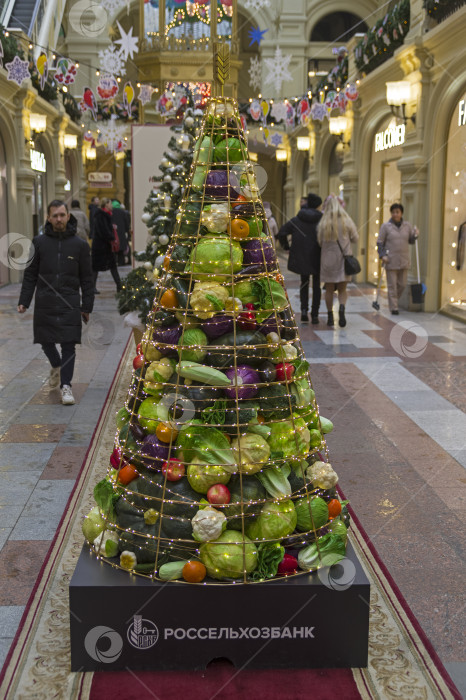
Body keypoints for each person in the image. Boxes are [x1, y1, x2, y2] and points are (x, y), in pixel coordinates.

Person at [17, 200, 94, 405]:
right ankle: (57, 365)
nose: (59, 219)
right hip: (45, 301)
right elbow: (30, 274)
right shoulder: (39, 242)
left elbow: (87, 278)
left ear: (68, 216)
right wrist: (24, 300)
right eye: (55, 216)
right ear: (49, 218)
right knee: (45, 339)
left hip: (70, 302)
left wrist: (87, 306)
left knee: (69, 344)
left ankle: (66, 386)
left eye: (62, 215)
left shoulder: (80, 245)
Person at [278, 193, 323, 324]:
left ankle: (304, 311)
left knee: (304, 283)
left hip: (302, 256)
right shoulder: (322, 219)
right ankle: (315, 315)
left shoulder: (297, 219)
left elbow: (282, 232)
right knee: (317, 285)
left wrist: (286, 246)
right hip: (318, 256)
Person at [317, 194, 359, 328]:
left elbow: (319, 242)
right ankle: (341, 309)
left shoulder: (323, 222)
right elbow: (356, 238)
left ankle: (330, 316)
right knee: (342, 289)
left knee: (328, 290)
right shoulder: (346, 220)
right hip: (343, 260)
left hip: (328, 261)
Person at [377, 203, 419, 315]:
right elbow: (380, 242)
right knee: (392, 286)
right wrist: (382, 255)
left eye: (397, 212)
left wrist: (415, 235)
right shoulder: (385, 227)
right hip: (390, 260)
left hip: (404, 260)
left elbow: (411, 241)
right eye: (393, 212)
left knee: (402, 284)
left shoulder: (407, 226)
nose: (395, 214)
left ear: (401, 213)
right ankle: (394, 307)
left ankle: (393, 300)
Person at [92, 198, 122, 294]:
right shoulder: (101, 215)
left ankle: (119, 286)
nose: (112, 205)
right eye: (110, 203)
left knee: (111, 266)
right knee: (96, 267)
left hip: (104, 245)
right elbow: (103, 231)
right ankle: (92, 288)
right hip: (101, 246)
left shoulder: (106, 215)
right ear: (106, 205)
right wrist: (112, 238)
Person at [111, 199, 130, 266]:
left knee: (113, 247)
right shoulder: (123, 212)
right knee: (121, 249)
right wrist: (127, 230)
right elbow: (126, 223)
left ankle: (113, 262)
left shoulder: (111, 212)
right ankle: (121, 262)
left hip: (113, 232)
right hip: (122, 232)